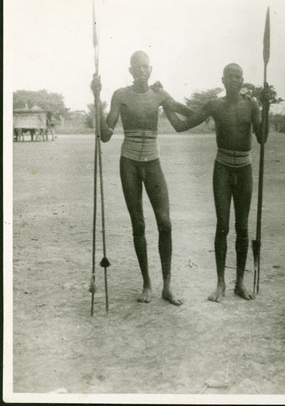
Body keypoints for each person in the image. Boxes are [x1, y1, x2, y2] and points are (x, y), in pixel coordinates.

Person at [91, 50, 194, 306]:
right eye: (136, 67)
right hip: (129, 164)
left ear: (151, 68)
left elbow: (188, 113)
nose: (141, 71)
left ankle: (167, 286)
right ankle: (147, 283)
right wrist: (96, 96)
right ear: (130, 70)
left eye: (145, 67)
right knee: (138, 225)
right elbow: (105, 135)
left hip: (153, 163)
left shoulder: (159, 94)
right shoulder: (120, 95)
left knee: (165, 223)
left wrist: (170, 95)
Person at [164, 63, 270, 302]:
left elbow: (262, 138)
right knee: (222, 225)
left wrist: (266, 106)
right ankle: (221, 284)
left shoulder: (252, 105)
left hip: (244, 168)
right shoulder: (214, 105)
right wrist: (165, 103)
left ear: (243, 80)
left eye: (238, 76)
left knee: (242, 227)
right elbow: (183, 125)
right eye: (230, 76)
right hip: (221, 168)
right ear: (222, 80)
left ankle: (240, 283)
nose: (234, 80)